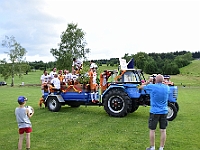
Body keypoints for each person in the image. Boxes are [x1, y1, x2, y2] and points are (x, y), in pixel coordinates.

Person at [139, 74, 170, 150]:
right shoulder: (167, 88)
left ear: (155, 80)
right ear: (162, 80)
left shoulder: (152, 87)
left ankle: (152, 147)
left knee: (152, 130)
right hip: (164, 112)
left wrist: (148, 81)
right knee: (163, 130)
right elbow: (163, 84)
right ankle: (161, 148)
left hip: (154, 112)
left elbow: (140, 87)